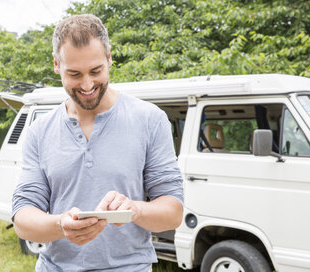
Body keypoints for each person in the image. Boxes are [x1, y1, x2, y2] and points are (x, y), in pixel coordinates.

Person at [12, 14, 183, 272]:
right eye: (74, 74)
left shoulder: (150, 120)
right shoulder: (39, 131)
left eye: (96, 71)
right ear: (57, 65)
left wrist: (133, 209)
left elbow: (173, 213)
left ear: (109, 58)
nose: (87, 84)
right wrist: (61, 225)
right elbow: (23, 219)